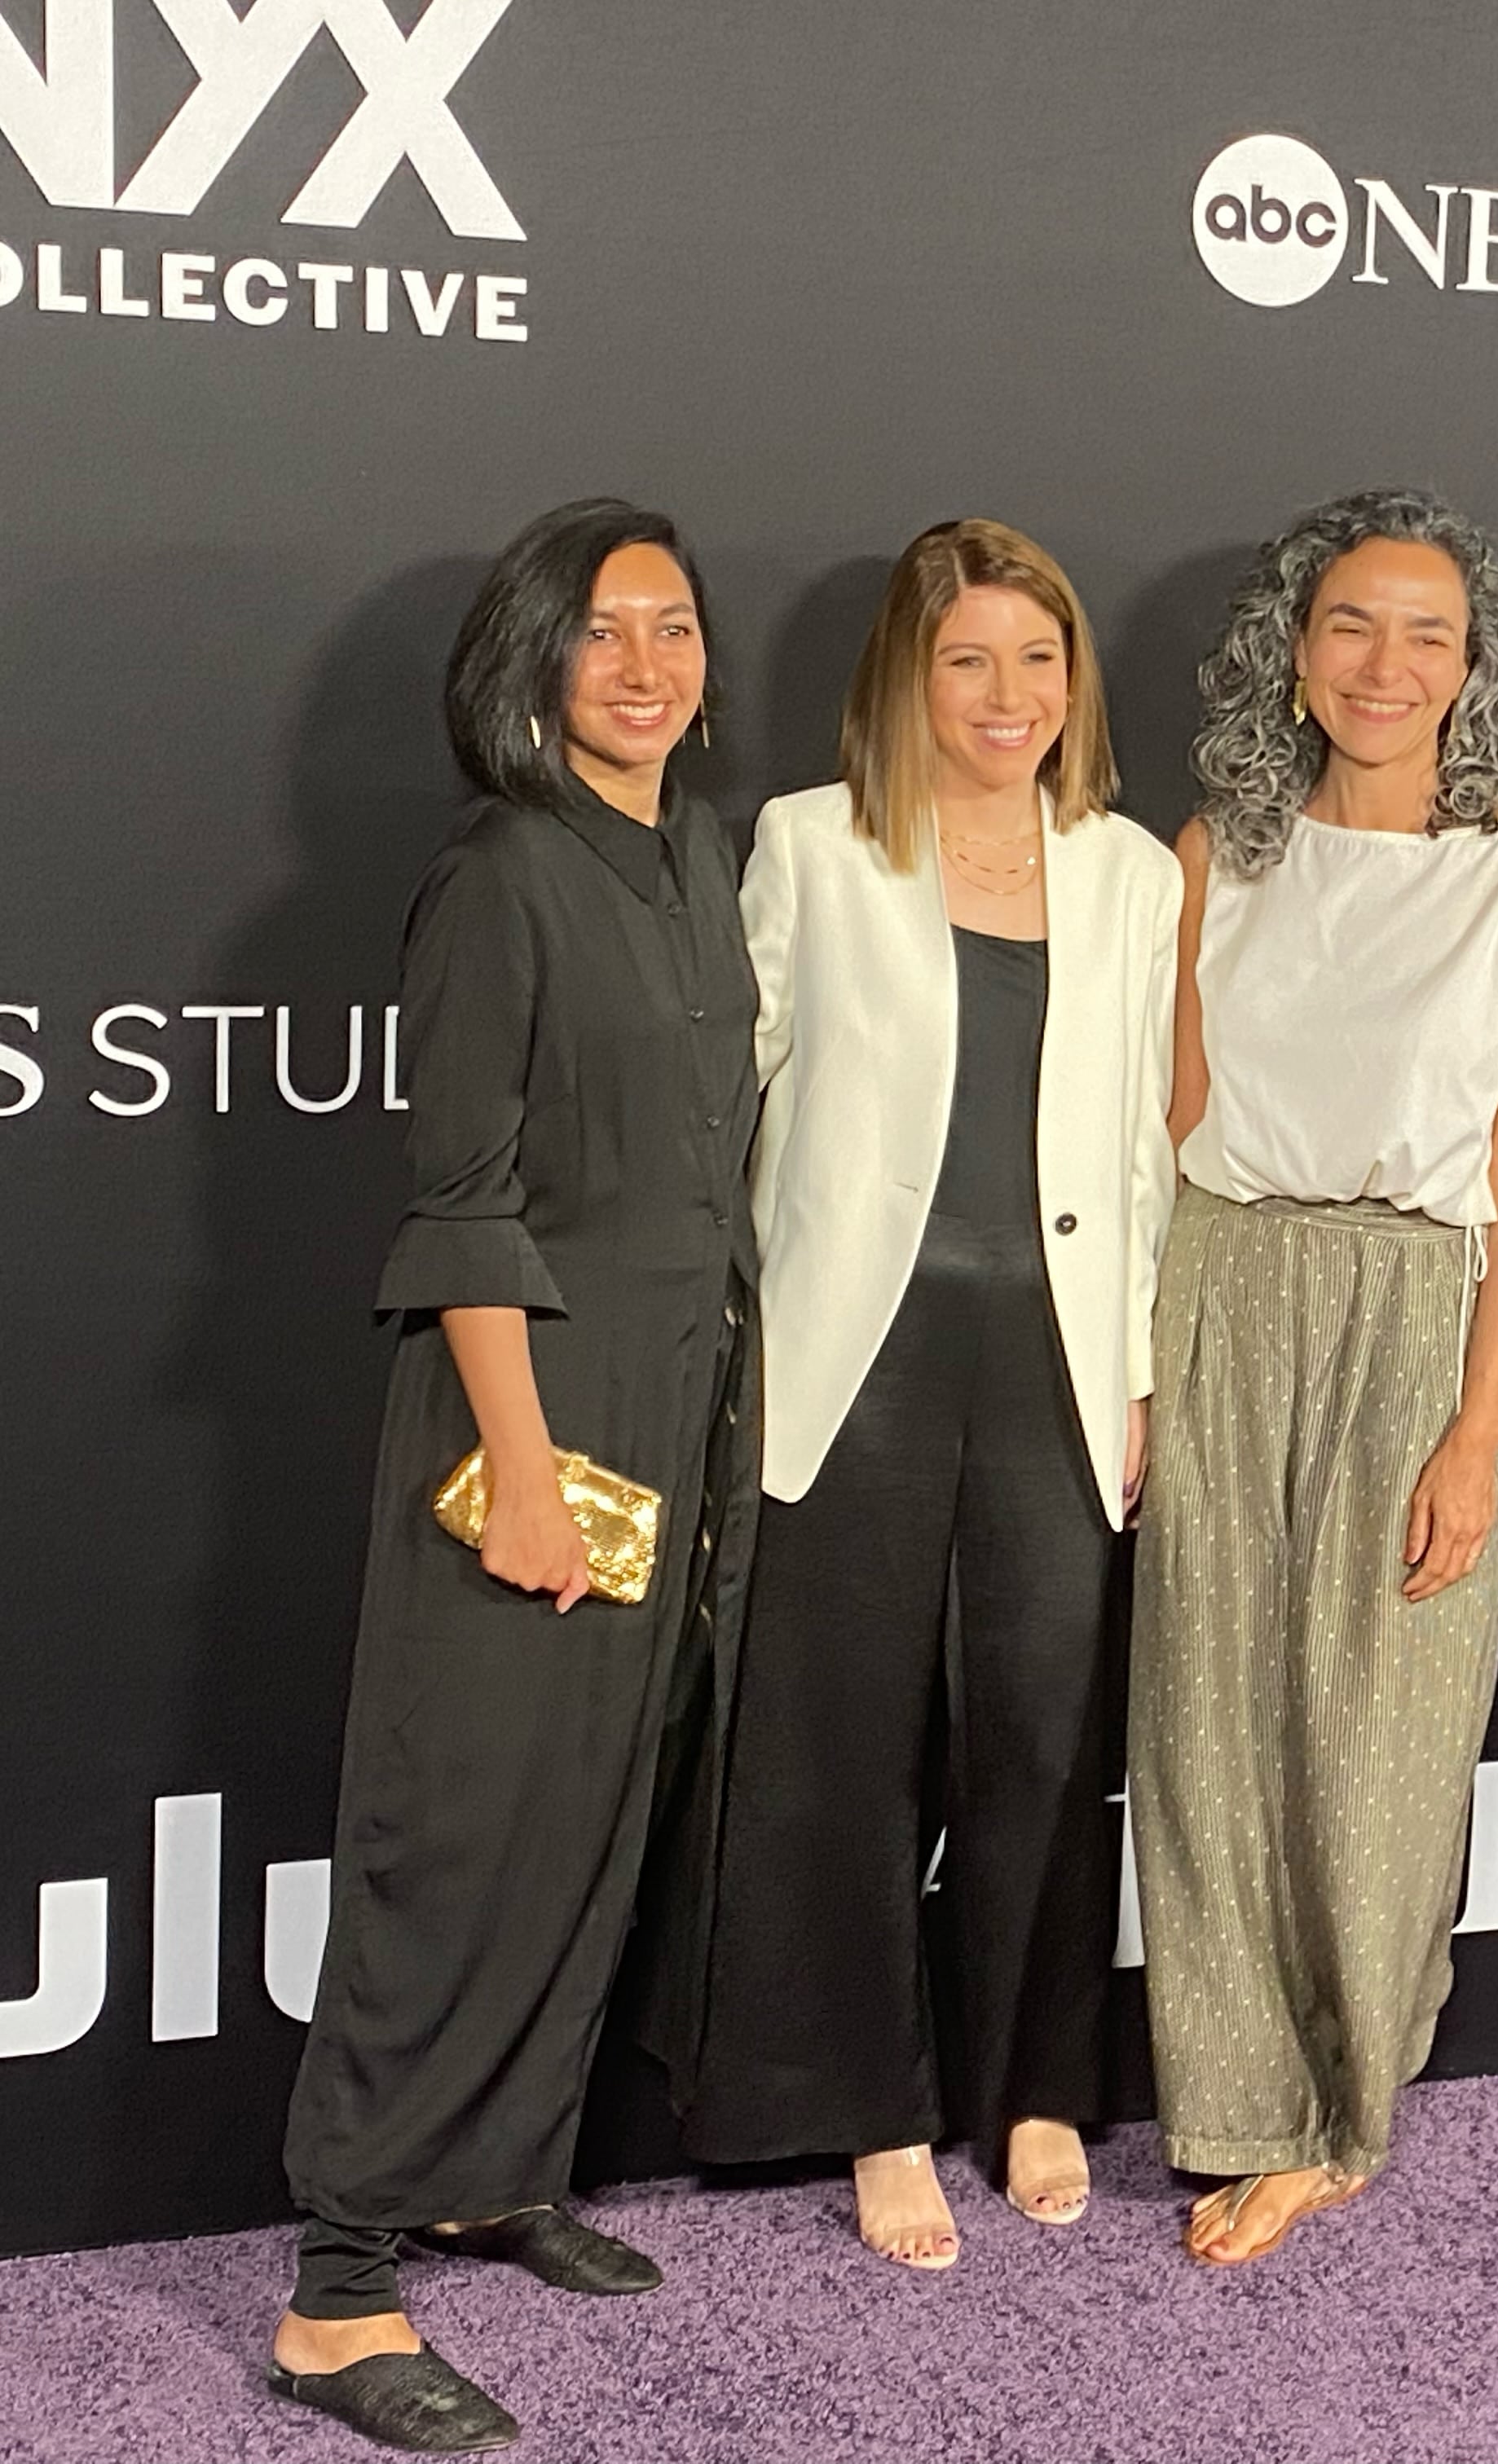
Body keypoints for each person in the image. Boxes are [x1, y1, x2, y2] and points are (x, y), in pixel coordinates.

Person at [272, 500, 759, 2455]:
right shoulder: (497, 876)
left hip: (674, 1403)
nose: (644, 666)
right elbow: (463, 1206)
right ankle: (333, 2297)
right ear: (530, 660)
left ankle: (489, 2174)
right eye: (602, 633)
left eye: (674, 627)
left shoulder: (694, 854)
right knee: (455, 1836)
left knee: (582, 1825)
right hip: (528, 1418)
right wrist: (530, 1471)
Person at [676, 521, 1178, 2268]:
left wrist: (1136, 1374)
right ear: (907, 672)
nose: (1006, 696)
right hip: (853, 1359)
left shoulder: (1129, 872)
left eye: (1038, 661)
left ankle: (1037, 2086)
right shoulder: (810, 849)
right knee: (845, 1745)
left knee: (1046, 1736)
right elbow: (728, 1100)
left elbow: (1140, 1152)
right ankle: (875, 2107)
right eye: (968, 660)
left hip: (1055, 1363)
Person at [1131, 486, 1498, 2265]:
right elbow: (1165, 1124)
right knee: (1202, 1715)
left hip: (1415, 1304)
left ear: (1478, 669)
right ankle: (1234, 2094)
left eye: (1427, 634)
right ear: (1293, 655)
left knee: (1379, 1722)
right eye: (1351, 627)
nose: (1386, 666)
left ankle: (1344, 2115)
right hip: (1218, 1285)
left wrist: (1479, 1426)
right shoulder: (1208, 858)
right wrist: (1144, 1375)